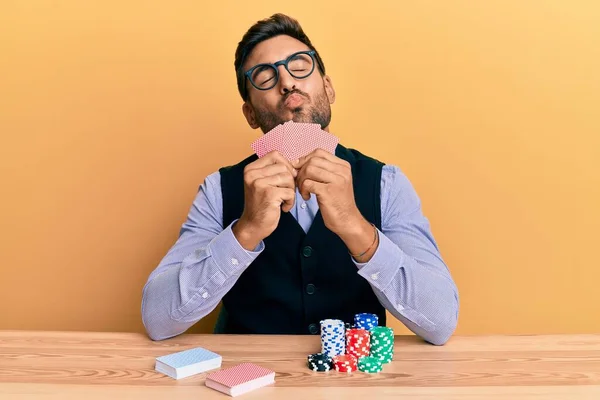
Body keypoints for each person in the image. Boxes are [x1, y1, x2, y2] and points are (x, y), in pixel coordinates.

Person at [141, 13, 459, 345]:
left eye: (300, 65)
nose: (287, 82)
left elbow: (440, 322)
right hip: (250, 387)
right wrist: (246, 230)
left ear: (328, 87)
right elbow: (157, 320)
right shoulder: (217, 191)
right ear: (250, 113)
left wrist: (355, 227)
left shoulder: (386, 184)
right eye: (265, 75)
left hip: (352, 386)